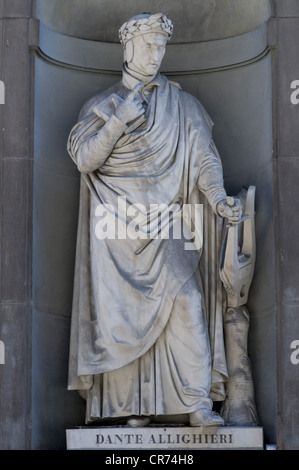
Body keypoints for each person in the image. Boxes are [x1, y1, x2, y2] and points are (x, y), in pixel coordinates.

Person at [67, 12, 242, 427]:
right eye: (147, 44)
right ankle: (134, 407)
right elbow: (84, 158)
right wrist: (117, 121)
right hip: (116, 233)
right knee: (121, 315)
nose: (155, 53)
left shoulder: (184, 107)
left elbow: (205, 158)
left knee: (187, 301)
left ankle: (197, 402)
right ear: (128, 48)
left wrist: (217, 197)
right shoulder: (102, 105)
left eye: (161, 45)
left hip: (172, 223)